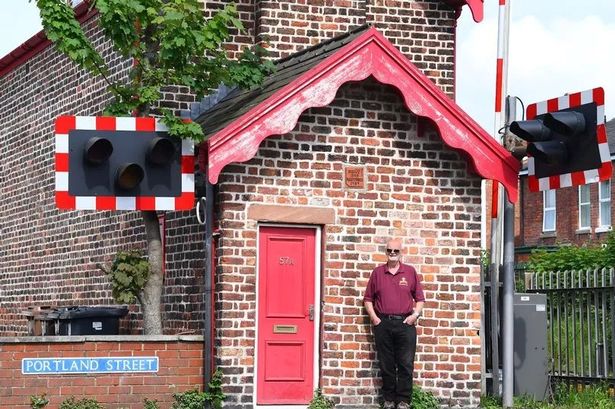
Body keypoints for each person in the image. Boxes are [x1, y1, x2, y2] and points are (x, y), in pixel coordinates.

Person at [364, 238, 425, 409]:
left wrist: (415, 315)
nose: (392, 253)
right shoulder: (377, 273)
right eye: (389, 250)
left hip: (405, 324)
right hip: (383, 323)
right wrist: (375, 318)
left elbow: (419, 299)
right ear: (386, 252)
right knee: (386, 364)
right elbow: (368, 299)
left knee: (406, 364)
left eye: (395, 251)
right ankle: (389, 400)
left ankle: (404, 400)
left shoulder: (410, 272)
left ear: (401, 252)